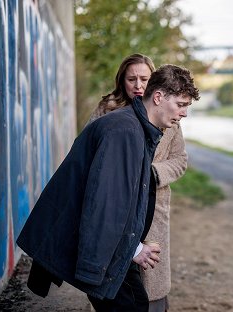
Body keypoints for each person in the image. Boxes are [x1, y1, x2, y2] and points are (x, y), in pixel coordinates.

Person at [16, 64, 200, 312]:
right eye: (180, 104)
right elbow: (107, 205)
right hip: (104, 247)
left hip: (110, 245)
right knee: (132, 305)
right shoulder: (124, 132)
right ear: (158, 97)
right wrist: (134, 249)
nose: (185, 113)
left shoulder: (136, 127)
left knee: (136, 302)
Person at [88, 53, 188, 312]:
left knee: (150, 279)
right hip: (117, 203)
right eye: (131, 79)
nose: (137, 84)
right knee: (113, 270)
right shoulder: (108, 114)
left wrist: (151, 173)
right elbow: (93, 158)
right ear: (122, 81)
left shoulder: (169, 114)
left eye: (144, 78)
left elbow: (180, 160)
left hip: (154, 207)